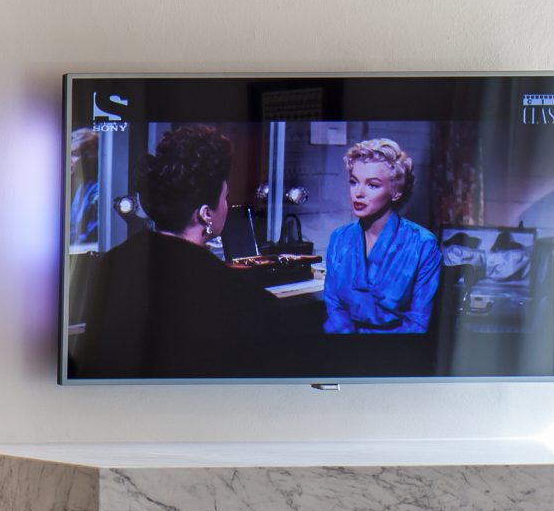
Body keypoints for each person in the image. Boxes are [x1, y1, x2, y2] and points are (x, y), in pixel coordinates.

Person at [72, 123, 280, 378]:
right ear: (206, 214)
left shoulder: (111, 264)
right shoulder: (244, 301)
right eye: (225, 198)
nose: (226, 205)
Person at [321, 137, 440, 334]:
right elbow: (334, 307)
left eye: (372, 185)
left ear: (396, 191)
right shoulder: (339, 239)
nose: (358, 193)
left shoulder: (422, 245)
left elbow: (418, 322)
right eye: (353, 182)